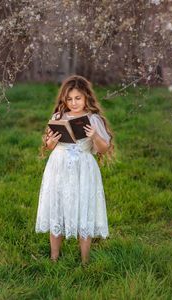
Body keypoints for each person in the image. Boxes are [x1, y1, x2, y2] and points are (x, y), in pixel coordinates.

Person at [35, 75, 115, 265]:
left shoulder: (93, 119)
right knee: (57, 206)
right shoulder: (58, 117)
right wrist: (50, 143)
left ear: (86, 97)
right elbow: (48, 144)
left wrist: (94, 136)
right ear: (64, 99)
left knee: (83, 208)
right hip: (59, 166)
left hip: (84, 168)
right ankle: (54, 258)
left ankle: (85, 260)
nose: (73, 102)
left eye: (77, 98)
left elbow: (103, 148)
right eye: (69, 99)